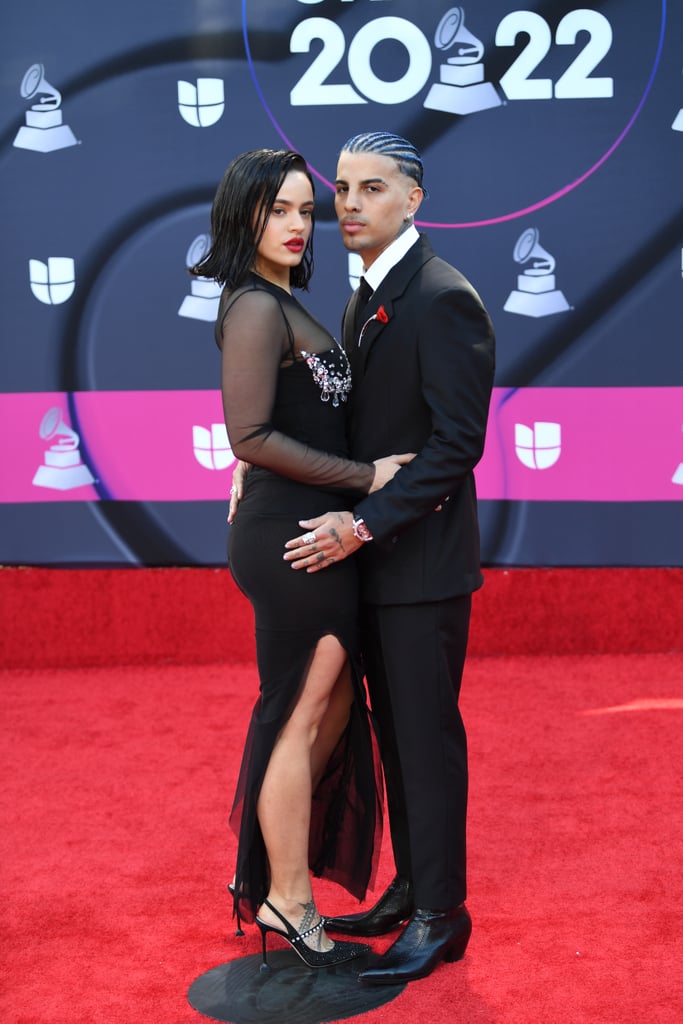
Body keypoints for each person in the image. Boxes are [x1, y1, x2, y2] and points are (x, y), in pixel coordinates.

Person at [283, 132, 496, 985]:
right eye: (339, 188)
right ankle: (411, 888)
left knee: (427, 741)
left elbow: (454, 447)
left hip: (420, 570)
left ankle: (443, 914)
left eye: (371, 188)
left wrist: (362, 526)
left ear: (414, 198)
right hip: (372, 566)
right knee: (396, 741)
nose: (347, 203)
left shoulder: (442, 297)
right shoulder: (363, 295)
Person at [191, 148, 410, 970]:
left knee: (327, 710)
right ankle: (286, 898)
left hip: (311, 528)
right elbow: (249, 434)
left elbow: (278, 428)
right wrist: (365, 478)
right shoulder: (253, 306)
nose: (293, 223)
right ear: (242, 216)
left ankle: (269, 876)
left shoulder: (286, 303)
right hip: (292, 542)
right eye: (274, 209)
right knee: (301, 713)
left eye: (301, 210)